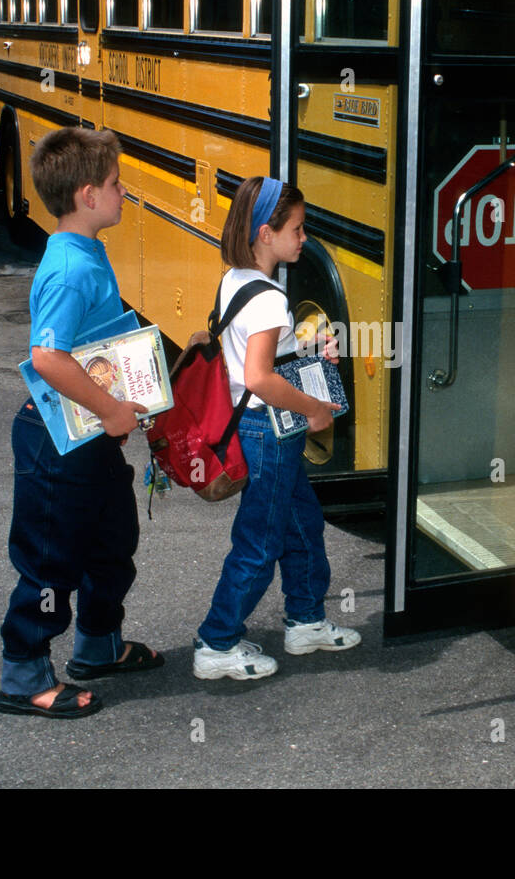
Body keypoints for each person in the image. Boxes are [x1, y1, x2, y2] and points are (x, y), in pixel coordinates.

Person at [0, 127, 162, 719]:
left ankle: (96, 644)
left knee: (112, 542)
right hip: (54, 440)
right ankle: (24, 674)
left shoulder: (89, 251)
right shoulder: (70, 268)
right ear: (88, 195)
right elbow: (47, 357)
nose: (125, 194)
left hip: (87, 436)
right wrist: (114, 408)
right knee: (49, 563)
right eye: (117, 186)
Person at [193, 176, 361, 680]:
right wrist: (314, 409)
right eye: (297, 228)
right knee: (260, 541)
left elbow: (258, 357)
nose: (303, 238)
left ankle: (306, 619)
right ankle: (216, 643)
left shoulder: (235, 280)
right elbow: (259, 376)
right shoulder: (269, 299)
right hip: (269, 430)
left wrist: (309, 351)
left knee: (302, 524)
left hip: (263, 429)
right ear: (266, 233)